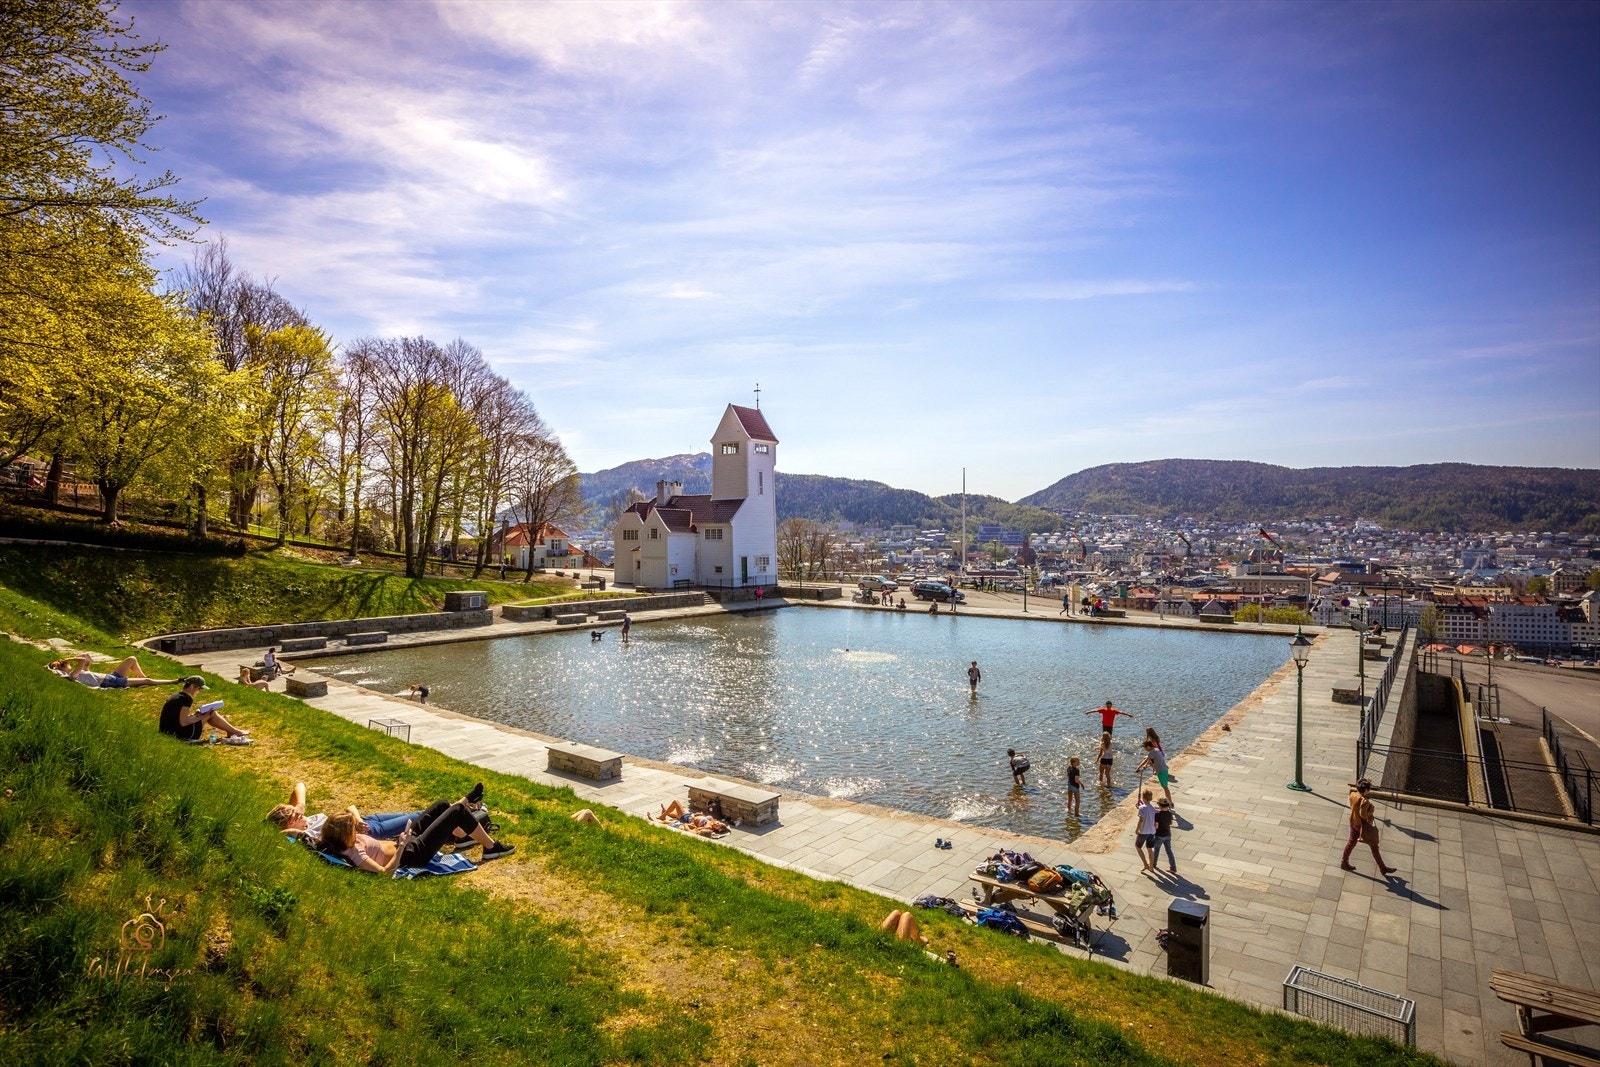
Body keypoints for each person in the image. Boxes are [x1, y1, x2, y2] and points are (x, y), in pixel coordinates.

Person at [321, 796, 512, 874]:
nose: (356, 826)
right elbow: (384, 872)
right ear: (346, 834)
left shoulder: (343, 839)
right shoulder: (355, 851)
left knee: (443, 805)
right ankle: (491, 847)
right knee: (458, 810)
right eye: (353, 826)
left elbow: (297, 834)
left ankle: (463, 838)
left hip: (404, 841)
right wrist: (402, 845)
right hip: (413, 854)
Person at [269, 780, 486, 848]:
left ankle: (461, 832)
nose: (302, 817)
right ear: (288, 823)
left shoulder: (303, 820)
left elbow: (300, 785)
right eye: (296, 816)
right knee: (423, 814)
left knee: (416, 813)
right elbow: (282, 836)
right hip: (370, 831)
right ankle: (465, 805)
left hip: (365, 819)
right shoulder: (300, 836)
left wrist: (300, 807)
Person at [159, 677, 250, 743]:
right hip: (179, 734)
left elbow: (179, 717)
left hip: (168, 732)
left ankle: (233, 731)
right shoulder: (186, 699)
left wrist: (197, 715)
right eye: (200, 689)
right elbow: (184, 722)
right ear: (192, 686)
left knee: (208, 713)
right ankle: (235, 732)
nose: (200, 691)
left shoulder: (176, 695)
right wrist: (204, 716)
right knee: (211, 713)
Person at [1340, 778, 1397, 876]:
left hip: (1352, 821)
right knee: (1374, 845)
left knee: (1351, 842)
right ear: (1366, 790)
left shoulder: (1353, 794)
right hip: (1361, 825)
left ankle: (1344, 862)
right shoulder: (1364, 801)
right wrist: (1370, 810)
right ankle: (1383, 868)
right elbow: (1363, 815)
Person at [48, 654, 176, 689]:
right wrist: (69, 658)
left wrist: (87, 666)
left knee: (131, 659)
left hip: (111, 676)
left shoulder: (77, 674)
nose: (67, 664)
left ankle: (143, 680)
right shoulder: (72, 676)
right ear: (62, 670)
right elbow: (82, 660)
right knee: (148, 681)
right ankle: (174, 681)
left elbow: (86, 661)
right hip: (111, 682)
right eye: (64, 664)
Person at [1138, 738, 1174, 808]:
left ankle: (1170, 803)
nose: (1145, 749)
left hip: (1161, 771)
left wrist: (1140, 767)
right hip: (1164, 769)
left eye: (1145, 748)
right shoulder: (1156, 749)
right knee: (1165, 786)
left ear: (1148, 746)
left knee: (1165, 787)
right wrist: (1145, 765)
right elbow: (1149, 760)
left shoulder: (1152, 752)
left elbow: (1147, 760)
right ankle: (1169, 802)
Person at [1134, 789, 1158, 873]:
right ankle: (1151, 867)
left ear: (1143, 797)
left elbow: (1141, 820)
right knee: (1150, 849)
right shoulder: (1153, 808)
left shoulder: (1142, 808)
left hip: (1143, 831)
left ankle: (1145, 864)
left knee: (1138, 847)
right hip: (1152, 831)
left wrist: (1137, 829)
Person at [1152, 797, 1176, 872]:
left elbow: (1156, 826)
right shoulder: (1170, 814)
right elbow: (1171, 823)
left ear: (1159, 805)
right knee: (1169, 851)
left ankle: (1153, 864)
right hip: (1168, 834)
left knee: (1156, 850)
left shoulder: (1157, 815)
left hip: (1159, 835)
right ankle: (1173, 868)